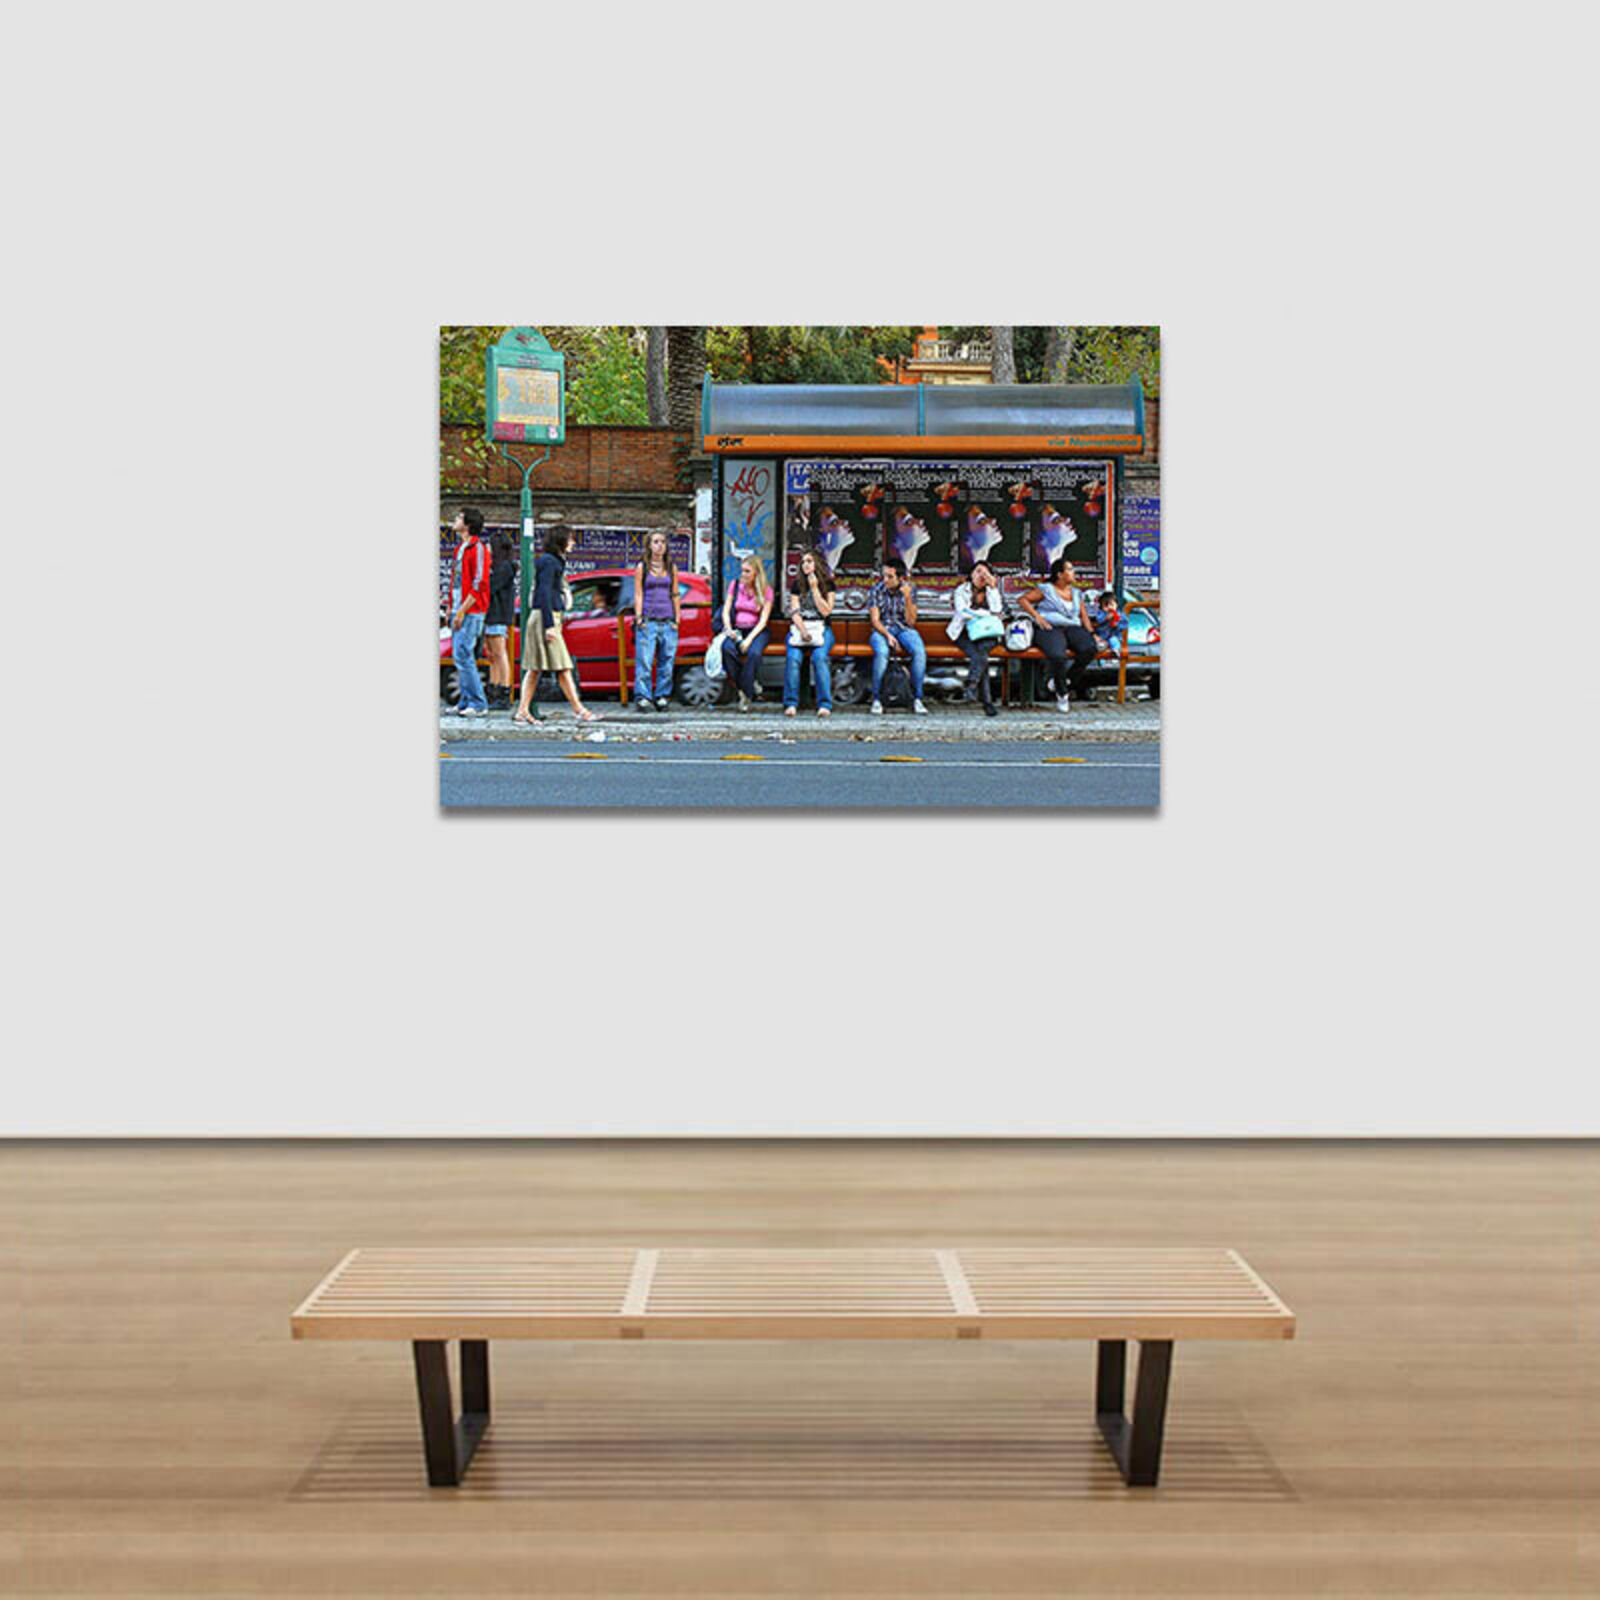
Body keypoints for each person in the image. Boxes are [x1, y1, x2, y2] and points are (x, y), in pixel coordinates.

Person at [513, 526, 598, 726]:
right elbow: (543, 592)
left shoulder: (551, 561)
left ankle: (523, 711)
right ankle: (580, 710)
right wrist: (549, 625)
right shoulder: (550, 562)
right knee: (563, 666)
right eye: (570, 539)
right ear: (560, 540)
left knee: (535, 668)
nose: (573, 543)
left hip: (544, 617)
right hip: (546, 617)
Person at [1019, 556, 1097, 713]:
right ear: (1060, 574)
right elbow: (1023, 600)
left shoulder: (1076, 593)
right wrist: (1038, 617)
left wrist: (1092, 633)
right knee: (1057, 655)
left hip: (1072, 627)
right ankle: (1062, 694)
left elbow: (1083, 615)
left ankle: (1063, 681)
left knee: (1089, 648)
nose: (1074, 572)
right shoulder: (1046, 589)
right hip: (1050, 627)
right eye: (1070, 569)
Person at [868, 557, 927, 715]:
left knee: (919, 651)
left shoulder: (910, 590)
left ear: (900, 578)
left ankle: (917, 698)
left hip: (903, 629)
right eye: (884, 575)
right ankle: (877, 699)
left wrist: (907, 598)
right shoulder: (876, 589)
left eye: (890, 576)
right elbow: (874, 620)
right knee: (881, 653)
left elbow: (911, 621)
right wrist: (888, 635)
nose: (885, 580)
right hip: (882, 630)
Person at [632, 530, 681, 713]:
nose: (659, 545)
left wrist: (677, 618)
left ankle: (662, 696)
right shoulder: (642, 567)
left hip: (667, 619)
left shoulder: (671, 567)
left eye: (662, 542)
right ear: (649, 545)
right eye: (655, 542)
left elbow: (675, 593)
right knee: (644, 660)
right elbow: (638, 593)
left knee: (667, 661)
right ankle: (643, 697)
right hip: (648, 620)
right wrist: (639, 617)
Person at [948, 560, 1004, 717]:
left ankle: (972, 684)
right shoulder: (961, 590)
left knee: (981, 654)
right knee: (981, 658)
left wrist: (993, 589)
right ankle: (986, 702)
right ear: (971, 575)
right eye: (978, 571)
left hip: (987, 633)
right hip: (964, 632)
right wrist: (984, 614)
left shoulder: (992, 591)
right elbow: (963, 611)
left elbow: (996, 609)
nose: (981, 576)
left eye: (985, 573)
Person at [782, 549, 835, 718]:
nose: (806, 564)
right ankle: (791, 703)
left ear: (817, 563)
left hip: (822, 628)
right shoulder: (797, 584)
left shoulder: (828, 583)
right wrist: (803, 631)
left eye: (809, 561)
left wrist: (815, 589)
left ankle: (824, 704)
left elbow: (826, 611)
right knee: (793, 658)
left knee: (819, 657)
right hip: (801, 628)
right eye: (803, 561)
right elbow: (795, 612)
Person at [448, 507, 490, 715]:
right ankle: (466, 701)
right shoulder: (460, 549)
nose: (454, 520)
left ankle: (478, 702)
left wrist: (462, 610)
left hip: (471, 610)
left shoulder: (478, 548)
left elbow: (479, 582)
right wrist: (451, 608)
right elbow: (455, 583)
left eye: (459, 518)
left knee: (464, 655)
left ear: (468, 524)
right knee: (459, 656)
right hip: (458, 608)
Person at [720, 556, 772, 711]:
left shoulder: (765, 590)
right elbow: (726, 610)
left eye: (747, 571)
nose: (743, 574)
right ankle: (747, 684)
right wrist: (729, 629)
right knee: (726, 649)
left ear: (756, 573)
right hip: (737, 628)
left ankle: (746, 694)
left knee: (754, 654)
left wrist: (748, 640)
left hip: (757, 631)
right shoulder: (735, 586)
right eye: (742, 570)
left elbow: (763, 620)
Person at [483, 527, 516, 710]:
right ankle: (494, 689)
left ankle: (504, 690)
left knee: (499, 652)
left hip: (498, 614)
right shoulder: (498, 567)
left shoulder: (504, 568)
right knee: (493, 654)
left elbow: (491, 588)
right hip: (492, 614)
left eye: (489, 546)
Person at [1088, 589, 1125, 657]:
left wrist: (1117, 625)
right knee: (1097, 643)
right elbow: (1098, 621)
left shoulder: (1119, 614)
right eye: (1106, 605)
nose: (1109, 607)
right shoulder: (1101, 613)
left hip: (1113, 635)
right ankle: (1099, 653)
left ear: (1116, 604)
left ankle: (1115, 651)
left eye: (1111, 604)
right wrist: (1105, 618)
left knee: (1113, 640)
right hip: (1101, 635)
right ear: (1101, 606)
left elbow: (1125, 623)